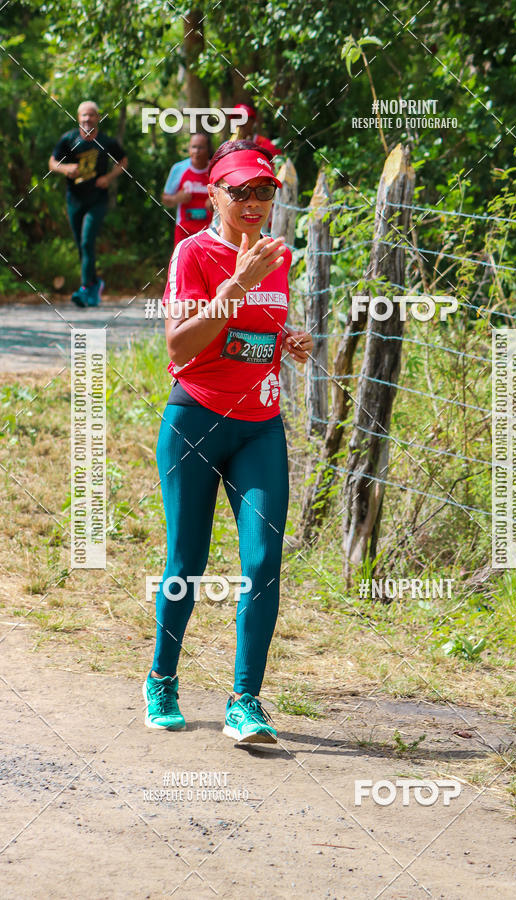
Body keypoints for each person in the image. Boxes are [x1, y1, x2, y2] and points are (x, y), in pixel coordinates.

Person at [143, 139, 313, 744]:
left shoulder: (279, 255)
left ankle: (246, 702)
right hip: (196, 420)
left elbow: (254, 331)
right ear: (212, 192)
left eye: (264, 191)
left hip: (260, 425)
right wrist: (235, 286)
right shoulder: (192, 254)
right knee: (186, 564)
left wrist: (285, 338)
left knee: (264, 562)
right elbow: (180, 349)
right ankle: (162, 677)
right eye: (239, 190)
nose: (253, 202)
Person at [49, 100, 127, 307]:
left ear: (98, 117)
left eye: (91, 115)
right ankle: (95, 284)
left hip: (97, 200)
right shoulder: (69, 139)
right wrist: (66, 169)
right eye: (83, 115)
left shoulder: (106, 142)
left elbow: (123, 161)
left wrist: (109, 178)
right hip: (74, 200)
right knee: (82, 246)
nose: (87, 119)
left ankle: (85, 289)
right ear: (78, 118)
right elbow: (52, 162)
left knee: (87, 241)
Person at [162, 132, 214, 247]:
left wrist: (215, 202)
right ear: (189, 149)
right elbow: (165, 199)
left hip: (210, 231)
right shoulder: (179, 169)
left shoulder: (214, 169)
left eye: (200, 147)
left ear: (208, 150)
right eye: (193, 147)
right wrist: (176, 198)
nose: (196, 151)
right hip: (183, 230)